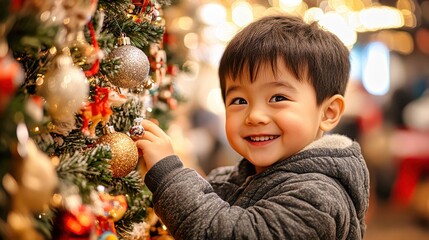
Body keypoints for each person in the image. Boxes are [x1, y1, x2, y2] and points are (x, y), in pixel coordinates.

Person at [136, 14, 370, 239]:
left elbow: (229, 233)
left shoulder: (319, 196)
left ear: (328, 113)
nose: (255, 116)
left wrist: (169, 175)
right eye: (239, 101)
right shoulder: (229, 179)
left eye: (278, 98)